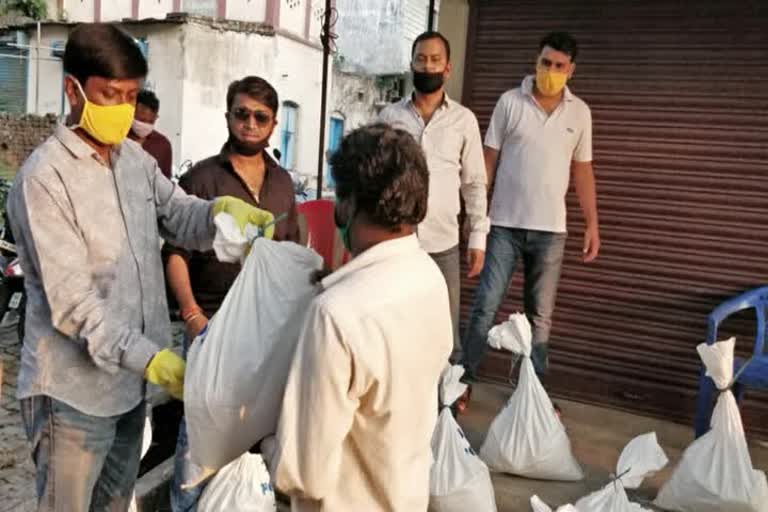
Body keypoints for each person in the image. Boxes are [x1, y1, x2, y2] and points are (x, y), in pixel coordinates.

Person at [7, 23, 274, 512]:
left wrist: (220, 215)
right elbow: (73, 304)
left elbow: (177, 213)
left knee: (116, 503)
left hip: (130, 389)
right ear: (74, 89)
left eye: (130, 97)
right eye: (110, 95)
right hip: (72, 395)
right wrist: (150, 358)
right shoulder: (44, 180)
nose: (123, 111)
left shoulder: (134, 159)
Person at [264, 124, 453, 511]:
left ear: (349, 203)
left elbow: (303, 472)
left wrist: (263, 440)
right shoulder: (430, 277)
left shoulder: (336, 314)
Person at [165, 75, 299, 512]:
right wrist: (191, 318)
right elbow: (176, 255)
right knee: (199, 437)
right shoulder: (201, 180)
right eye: (241, 114)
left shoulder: (282, 183)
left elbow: (292, 252)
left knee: (254, 432)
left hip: (263, 332)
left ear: (274, 124)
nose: (250, 124)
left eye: (260, 117)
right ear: (228, 116)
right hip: (211, 325)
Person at [461, 31, 601, 385]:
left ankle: (529, 392)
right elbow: (487, 160)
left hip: (551, 231)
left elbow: (582, 170)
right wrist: (477, 217)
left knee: (540, 318)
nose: (550, 71)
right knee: (485, 307)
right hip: (504, 226)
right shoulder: (510, 102)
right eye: (545, 63)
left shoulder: (580, 113)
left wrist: (592, 223)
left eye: (559, 66)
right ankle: (462, 382)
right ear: (535, 62)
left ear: (571, 70)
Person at [379, 31, 489, 363]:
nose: (427, 66)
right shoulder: (389, 118)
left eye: (435, 59)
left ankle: (446, 399)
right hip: (396, 241)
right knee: (393, 322)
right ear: (411, 64)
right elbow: (373, 175)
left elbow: (473, 181)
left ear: (448, 68)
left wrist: (478, 237)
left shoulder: (463, 120)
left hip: (442, 243)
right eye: (421, 59)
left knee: (445, 330)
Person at [127, 89, 174, 179]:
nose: (145, 125)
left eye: (151, 121)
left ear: (156, 117)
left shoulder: (163, 145)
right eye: (142, 120)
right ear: (131, 113)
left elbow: (166, 181)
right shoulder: (117, 140)